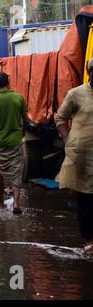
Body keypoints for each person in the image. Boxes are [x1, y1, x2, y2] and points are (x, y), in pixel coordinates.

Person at [56, 58, 93, 253]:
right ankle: (88, 239)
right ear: (90, 73)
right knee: (86, 198)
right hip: (82, 155)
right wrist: (66, 138)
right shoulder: (76, 94)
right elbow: (60, 117)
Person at [0, 72, 28, 215]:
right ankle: (16, 202)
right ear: (8, 82)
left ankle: (1, 202)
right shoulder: (18, 98)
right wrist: (22, 131)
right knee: (17, 172)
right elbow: (25, 119)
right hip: (15, 141)